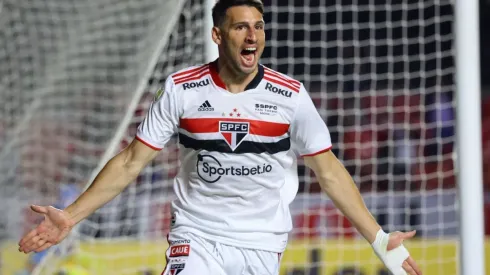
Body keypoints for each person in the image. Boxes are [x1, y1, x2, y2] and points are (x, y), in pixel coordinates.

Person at [18, 1, 422, 274]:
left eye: (259, 27)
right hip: (197, 236)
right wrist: (70, 216)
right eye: (241, 27)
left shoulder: (291, 96)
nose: (253, 36)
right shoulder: (182, 89)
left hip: (262, 244)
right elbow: (130, 162)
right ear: (217, 34)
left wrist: (380, 239)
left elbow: (330, 172)